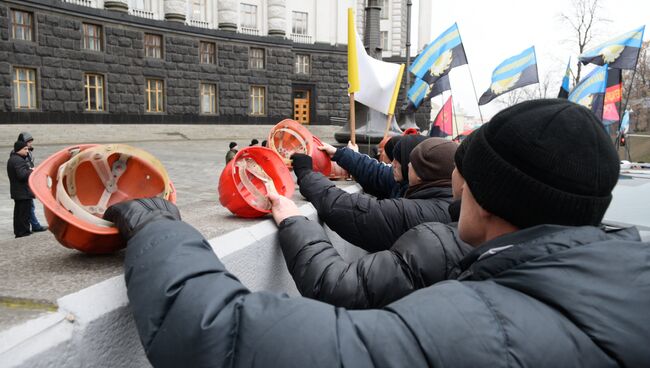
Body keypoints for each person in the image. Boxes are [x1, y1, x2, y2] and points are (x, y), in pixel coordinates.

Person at [105, 99, 649, 367]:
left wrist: (154, 225)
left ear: (487, 196)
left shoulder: (469, 328)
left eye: (468, 169)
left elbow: (222, 338)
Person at [291, 137, 457, 251]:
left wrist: (306, 174)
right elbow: (375, 172)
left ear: (421, 171)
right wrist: (339, 154)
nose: (392, 164)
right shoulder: (416, 185)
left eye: (403, 161)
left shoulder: (418, 211)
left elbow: (351, 211)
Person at [17, 132, 47, 232]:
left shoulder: (28, 152)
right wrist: (31, 170)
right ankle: (35, 226)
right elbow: (22, 169)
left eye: (30, 142)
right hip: (24, 183)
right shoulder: (20, 154)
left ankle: (32, 226)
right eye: (28, 142)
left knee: (29, 205)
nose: (30, 144)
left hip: (28, 180)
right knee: (29, 205)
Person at [7, 141, 34, 238]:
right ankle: (23, 232)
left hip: (18, 191)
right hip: (23, 192)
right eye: (25, 149)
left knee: (19, 213)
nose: (27, 151)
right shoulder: (18, 160)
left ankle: (20, 231)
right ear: (19, 150)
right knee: (23, 214)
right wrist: (31, 171)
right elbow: (22, 175)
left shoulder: (13, 159)